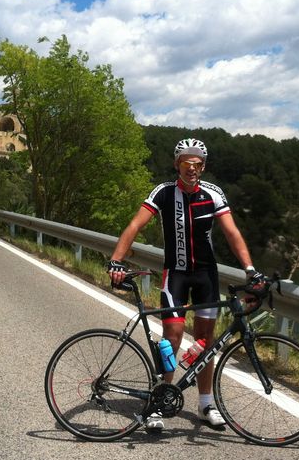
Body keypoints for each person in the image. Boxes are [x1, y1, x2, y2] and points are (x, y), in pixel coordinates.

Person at [107, 138, 261, 432]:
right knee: (172, 338)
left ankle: (206, 403)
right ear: (177, 165)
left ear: (203, 166)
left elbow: (231, 232)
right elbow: (135, 225)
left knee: (206, 341)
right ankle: (159, 400)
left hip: (206, 276)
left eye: (198, 163)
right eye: (186, 163)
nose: (192, 168)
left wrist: (250, 270)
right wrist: (116, 260)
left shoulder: (213, 193)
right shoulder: (164, 192)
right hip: (175, 275)